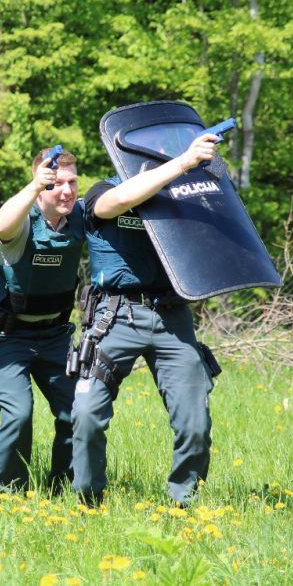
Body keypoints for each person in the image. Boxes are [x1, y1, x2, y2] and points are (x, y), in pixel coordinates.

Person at [70, 133, 220, 507]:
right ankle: (89, 504)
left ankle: (183, 505)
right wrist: (184, 162)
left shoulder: (179, 198)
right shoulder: (102, 190)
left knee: (195, 425)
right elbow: (117, 202)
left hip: (172, 317)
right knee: (87, 415)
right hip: (116, 315)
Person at [0, 148, 84, 495]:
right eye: (56, 185)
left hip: (55, 335)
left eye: (72, 182)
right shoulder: (22, 219)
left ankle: (63, 488)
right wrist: (35, 187)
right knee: (19, 415)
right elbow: (3, 224)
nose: (66, 191)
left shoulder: (80, 217)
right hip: (8, 337)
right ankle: (5, 494)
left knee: (80, 412)